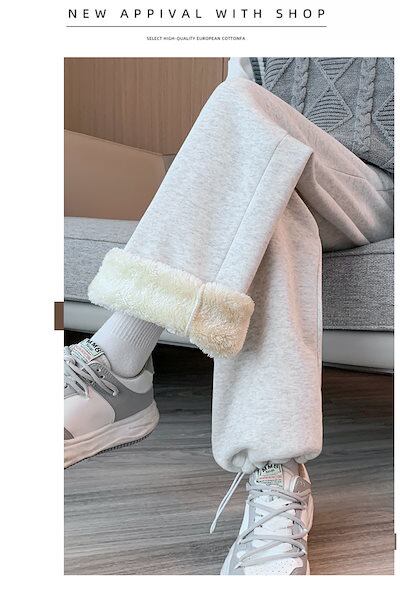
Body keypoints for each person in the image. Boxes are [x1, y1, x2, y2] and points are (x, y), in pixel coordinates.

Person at [64, 58, 394, 575]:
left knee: (246, 108)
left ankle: (116, 363)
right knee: (276, 206)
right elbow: (231, 137)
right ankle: (277, 475)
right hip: (284, 171)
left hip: (372, 191)